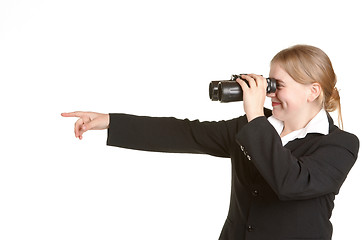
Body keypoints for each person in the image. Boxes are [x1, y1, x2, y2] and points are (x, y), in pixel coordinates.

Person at [62, 45, 359, 240]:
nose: (269, 94)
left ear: (312, 91)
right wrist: (111, 121)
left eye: (278, 86)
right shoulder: (253, 126)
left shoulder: (340, 145)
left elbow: (289, 182)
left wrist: (255, 115)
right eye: (269, 85)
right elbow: (185, 133)